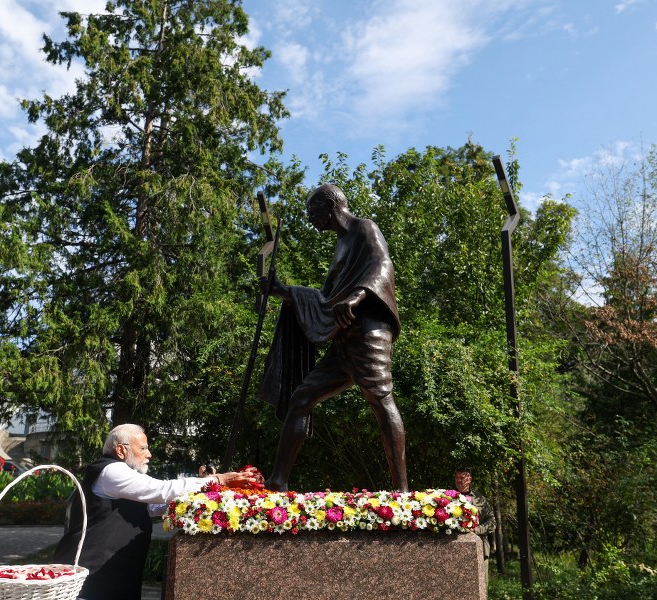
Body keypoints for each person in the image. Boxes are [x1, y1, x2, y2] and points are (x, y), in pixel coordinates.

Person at [259, 183, 408, 492]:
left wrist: (355, 298)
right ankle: (278, 481)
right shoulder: (340, 246)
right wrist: (282, 291)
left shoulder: (365, 229)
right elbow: (326, 297)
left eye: (313, 212)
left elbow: (382, 266)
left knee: (380, 400)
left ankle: (402, 490)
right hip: (343, 339)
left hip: (368, 331)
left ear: (332, 207)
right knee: (300, 398)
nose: (311, 219)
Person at [53, 424, 258, 600]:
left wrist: (208, 495)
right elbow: (161, 490)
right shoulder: (112, 470)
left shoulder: (119, 474)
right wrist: (218, 480)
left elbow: (156, 505)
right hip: (92, 574)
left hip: (111, 573)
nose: (149, 454)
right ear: (121, 450)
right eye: (143, 448)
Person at [454, 467, 496, 589]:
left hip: (480, 549)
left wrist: (475, 531)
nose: (459, 481)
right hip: (454, 550)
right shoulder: (449, 498)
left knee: (480, 588)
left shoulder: (479, 499)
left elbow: (492, 522)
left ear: (469, 479)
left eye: (462, 478)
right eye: (457, 478)